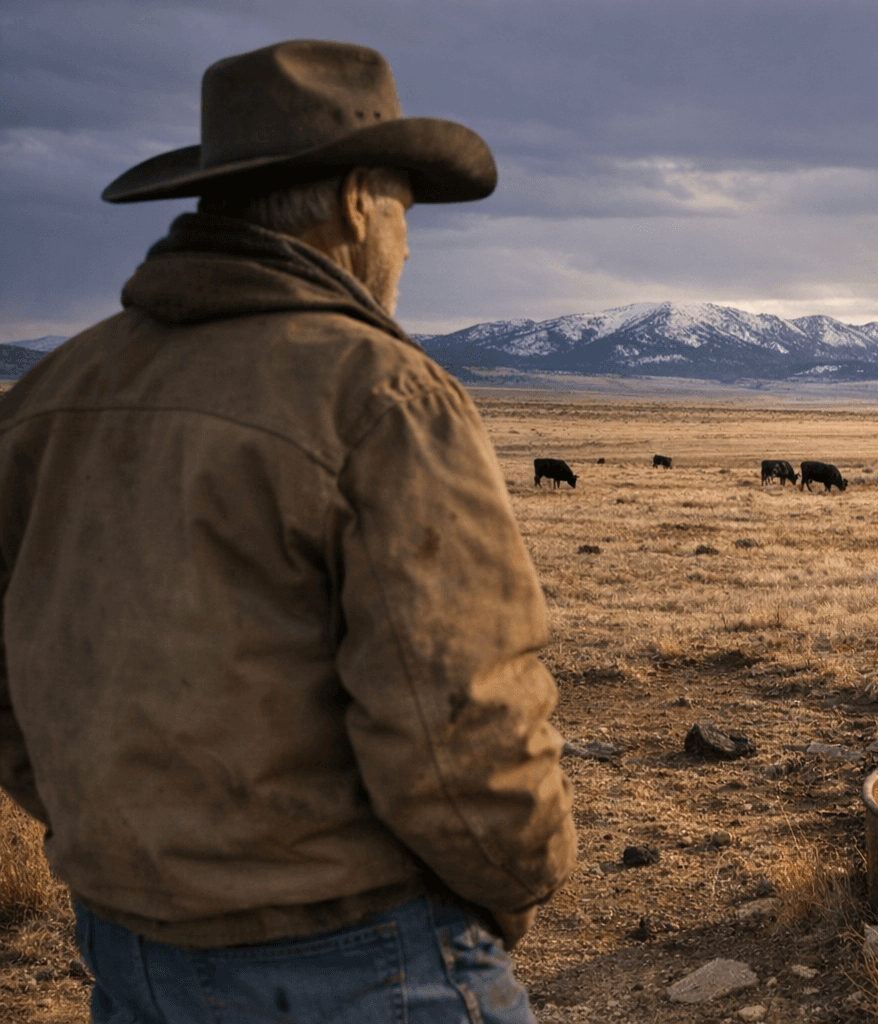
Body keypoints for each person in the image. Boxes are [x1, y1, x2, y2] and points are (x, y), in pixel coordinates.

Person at [0, 39, 575, 1024]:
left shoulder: (48, 397)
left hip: (130, 946)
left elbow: (12, 688)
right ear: (357, 204)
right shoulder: (381, 396)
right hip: (361, 953)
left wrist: (128, 853)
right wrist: (515, 886)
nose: (406, 247)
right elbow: (459, 721)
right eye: (404, 211)